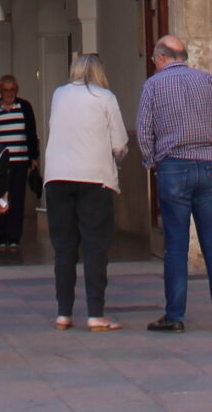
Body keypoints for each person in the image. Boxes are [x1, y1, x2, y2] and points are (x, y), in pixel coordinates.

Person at [136, 32, 212, 332]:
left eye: (154, 59)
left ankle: (175, 316)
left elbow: (144, 131)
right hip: (208, 167)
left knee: (177, 246)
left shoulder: (153, 85)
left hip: (173, 168)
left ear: (162, 57)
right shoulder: (208, 81)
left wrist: (153, 163)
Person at [41, 51, 130, 331]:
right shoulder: (105, 98)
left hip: (58, 177)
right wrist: (117, 158)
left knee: (64, 248)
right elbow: (119, 143)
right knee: (95, 248)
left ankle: (63, 313)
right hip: (94, 179)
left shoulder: (59, 94)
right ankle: (95, 313)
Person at [0, 74, 41, 259]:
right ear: (0, 91)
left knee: (17, 200)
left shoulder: (24, 107)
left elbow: (31, 133)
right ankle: (0, 235)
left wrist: (34, 157)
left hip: (19, 162)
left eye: (12, 90)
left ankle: (14, 237)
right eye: (5, 90)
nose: (9, 93)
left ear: (16, 91)